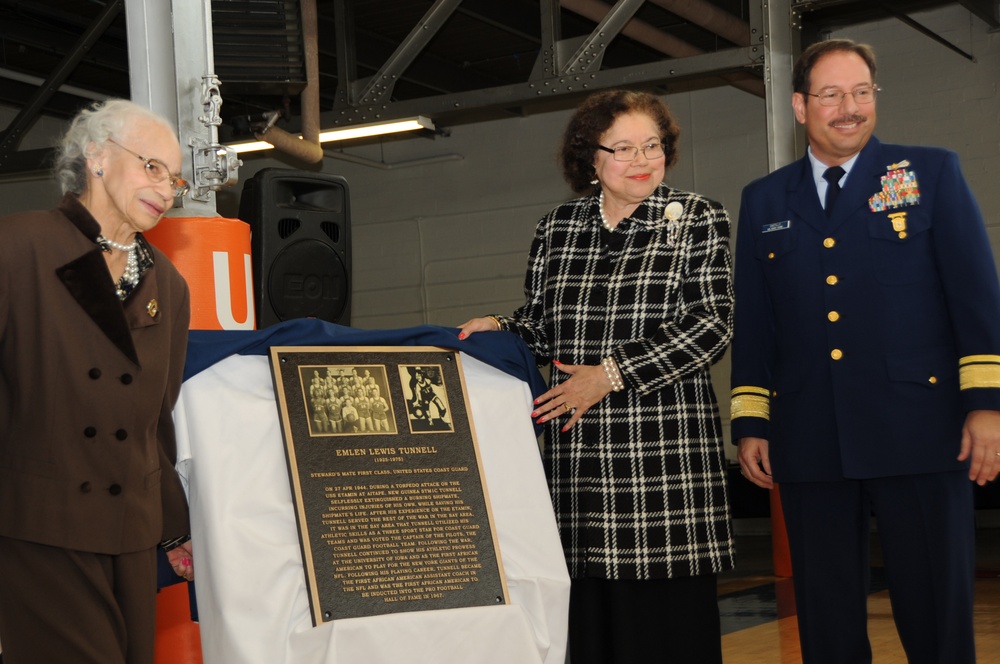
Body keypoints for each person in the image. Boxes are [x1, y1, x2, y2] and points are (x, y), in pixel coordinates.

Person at [730, 39, 1000, 664]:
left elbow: (976, 299)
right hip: (811, 437)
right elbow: (758, 320)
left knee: (936, 608)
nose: (848, 108)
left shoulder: (929, 174)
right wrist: (751, 420)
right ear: (800, 106)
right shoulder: (766, 200)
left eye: (860, 92)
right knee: (826, 618)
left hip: (921, 432)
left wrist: (986, 405)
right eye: (830, 94)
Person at [459, 89, 735, 663]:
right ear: (591, 159)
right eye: (625, 148)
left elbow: (711, 324)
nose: (643, 160)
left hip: (664, 465)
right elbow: (544, 323)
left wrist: (609, 375)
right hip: (579, 463)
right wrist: (501, 326)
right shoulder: (557, 227)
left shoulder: (698, 217)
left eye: (653, 145)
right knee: (589, 628)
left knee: (667, 631)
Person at [0, 99, 195, 663]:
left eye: (174, 177)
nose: (166, 188)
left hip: (130, 531)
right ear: (97, 157)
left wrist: (173, 528)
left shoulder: (170, 284)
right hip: (42, 522)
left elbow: (155, 419)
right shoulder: (17, 249)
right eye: (151, 166)